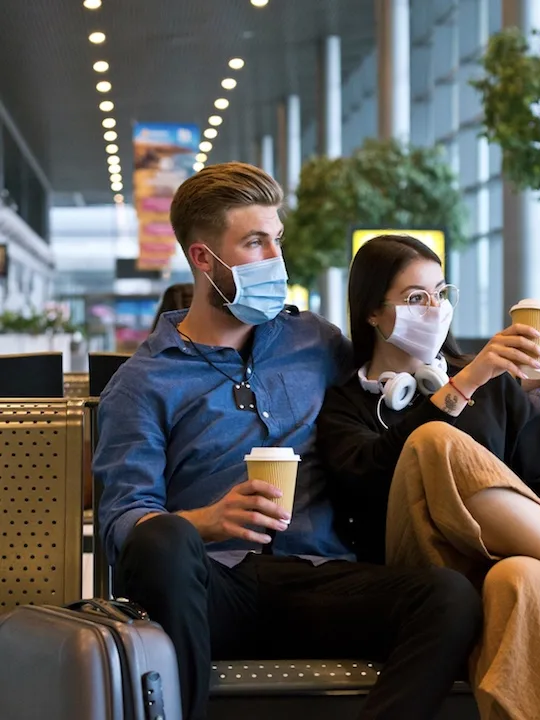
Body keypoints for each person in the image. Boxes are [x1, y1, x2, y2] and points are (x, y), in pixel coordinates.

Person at [94, 164, 483, 720]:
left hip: (318, 580)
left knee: (448, 597)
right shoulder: (143, 383)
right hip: (212, 589)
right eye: (255, 242)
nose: (275, 259)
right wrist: (207, 520)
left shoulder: (313, 342)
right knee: (164, 541)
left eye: (276, 239)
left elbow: (405, 368)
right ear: (204, 258)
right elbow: (120, 524)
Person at [317, 234, 540, 720]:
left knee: (518, 576)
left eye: (440, 294)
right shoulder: (345, 403)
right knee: (433, 441)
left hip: (523, 563)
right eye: (415, 298)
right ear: (372, 313)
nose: (434, 308)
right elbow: (363, 481)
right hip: (422, 569)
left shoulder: (495, 387)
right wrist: (464, 384)